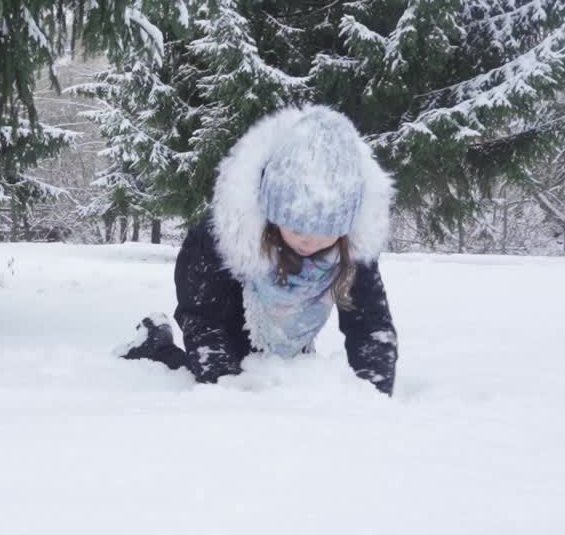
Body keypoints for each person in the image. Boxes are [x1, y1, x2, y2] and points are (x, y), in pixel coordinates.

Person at [118, 104, 398, 395]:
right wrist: (226, 385)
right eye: (297, 228)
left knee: (280, 376)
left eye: (325, 232)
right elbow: (204, 319)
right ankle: (155, 344)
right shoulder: (225, 237)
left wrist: (373, 396)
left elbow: (371, 327)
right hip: (225, 321)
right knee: (204, 373)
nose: (309, 242)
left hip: (285, 338)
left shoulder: (350, 251)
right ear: (272, 213)